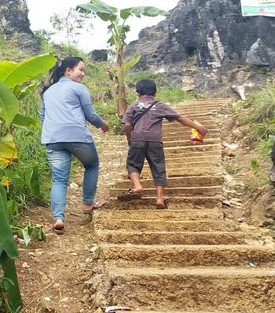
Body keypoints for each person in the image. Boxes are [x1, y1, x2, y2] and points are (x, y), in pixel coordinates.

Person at [40, 57, 109, 234]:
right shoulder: (78, 88)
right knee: (92, 165)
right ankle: (87, 203)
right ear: (68, 71)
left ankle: (58, 218)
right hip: (76, 136)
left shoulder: (47, 92)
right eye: (80, 69)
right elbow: (91, 115)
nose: (83, 73)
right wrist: (103, 125)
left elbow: (43, 117)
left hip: (53, 138)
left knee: (59, 179)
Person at [118, 79, 207, 209]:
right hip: (155, 141)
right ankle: (159, 199)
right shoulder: (160, 106)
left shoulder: (133, 106)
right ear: (155, 92)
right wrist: (198, 127)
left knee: (132, 164)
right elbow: (179, 118)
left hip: (137, 139)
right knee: (158, 167)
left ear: (137, 93)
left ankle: (137, 186)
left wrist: (130, 140)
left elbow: (127, 125)